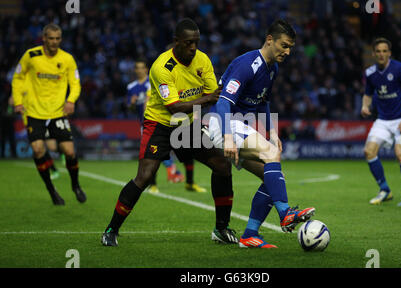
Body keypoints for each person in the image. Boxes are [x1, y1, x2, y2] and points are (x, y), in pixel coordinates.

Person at [101, 18, 237, 246]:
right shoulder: (161, 68)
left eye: (196, 42)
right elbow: (174, 106)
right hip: (160, 125)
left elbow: (214, 93)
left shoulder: (202, 60)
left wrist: (208, 108)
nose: (193, 47)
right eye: (188, 43)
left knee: (222, 165)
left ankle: (221, 230)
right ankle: (111, 229)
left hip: (186, 126)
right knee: (144, 177)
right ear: (176, 42)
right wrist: (206, 99)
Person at [208, 19, 315, 248]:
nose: (287, 52)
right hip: (222, 123)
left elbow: (263, 102)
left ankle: (249, 235)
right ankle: (285, 212)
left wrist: (273, 132)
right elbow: (223, 103)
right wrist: (227, 137)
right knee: (270, 154)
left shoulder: (271, 69)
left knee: (271, 175)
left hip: (239, 126)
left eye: (290, 48)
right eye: (284, 46)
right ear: (269, 40)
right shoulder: (247, 64)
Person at [12, 23, 86, 205]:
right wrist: (18, 101)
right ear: (44, 38)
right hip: (34, 111)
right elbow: (18, 78)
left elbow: (75, 83)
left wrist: (71, 100)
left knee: (69, 151)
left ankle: (75, 185)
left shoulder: (67, 59)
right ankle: (51, 190)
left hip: (57, 111)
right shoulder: (31, 55)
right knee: (38, 149)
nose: (54, 42)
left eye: (58, 39)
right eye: (51, 38)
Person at [126, 59, 206, 193]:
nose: (140, 70)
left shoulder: (158, 80)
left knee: (188, 152)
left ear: (146, 69)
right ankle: (154, 184)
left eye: (142, 67)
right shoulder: (132, 86)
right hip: (151, 123)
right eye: (137, 68)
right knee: (152, 155)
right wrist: (132, 104)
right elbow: (131, 107)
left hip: (177, 122)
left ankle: (189, 182)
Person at [361, 37, 401, 207]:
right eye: (378, 51)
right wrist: (365, 106)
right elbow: (368, 94)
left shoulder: (400, 69)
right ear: (373, 53)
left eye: (384, 51)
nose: (381, 54)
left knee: (400, 152)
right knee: (369, 151)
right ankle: (385, 190)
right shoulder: (370, 73)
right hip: (383, 120)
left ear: (389, 53)